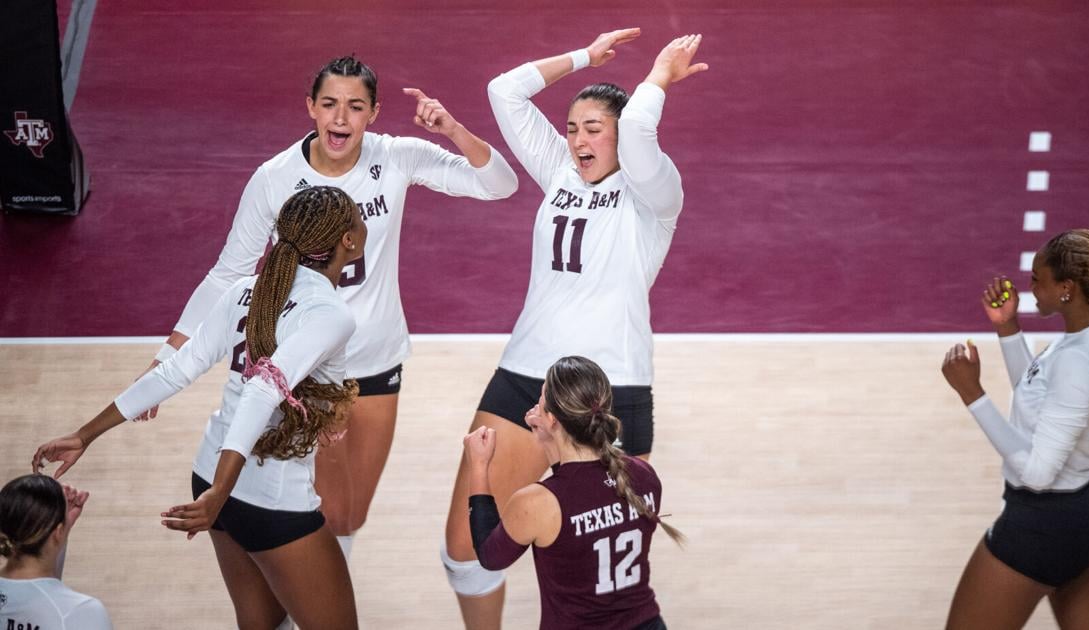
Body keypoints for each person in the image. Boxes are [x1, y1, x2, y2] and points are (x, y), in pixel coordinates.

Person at [140, 55, 520, 558]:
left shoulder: (396, 157)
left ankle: (316, 589)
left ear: (374, 113)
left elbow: (501, 184)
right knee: (318, 506)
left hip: (376, 360)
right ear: (310, 109)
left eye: (355, 106)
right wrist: (168, 358)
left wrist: (450, 128)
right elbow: (228, 273)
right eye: (329, 104)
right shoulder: (275, 177)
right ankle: (311, 596)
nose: (341, 118)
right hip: (307, 367)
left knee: (350, 513)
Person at [440, 29, 705, 626]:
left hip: (610, 389)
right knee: (466, 552)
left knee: (600, 583)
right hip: (526, 373)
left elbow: (639, 132)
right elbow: (504, 91)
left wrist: (659, 77)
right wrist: (585, 57)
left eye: (595, 128)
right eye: (573, 127)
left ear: (621, 132)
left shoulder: (654, 194)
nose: (579, 139)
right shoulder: (559, 170)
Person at [33, 186, 368, 629]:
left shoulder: (247, 290)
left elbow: (176, 370)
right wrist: (222, 492)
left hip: (210, 475)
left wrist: (85, 434)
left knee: (259, 624)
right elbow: (263, 390)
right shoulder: (329, 313)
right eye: (359, 218)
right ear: (348, 240)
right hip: (265, 494)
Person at [940, 228, 1089, 629]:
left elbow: (1037, 473)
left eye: (1039, 280)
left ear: (1066, 288)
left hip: (1046, 524)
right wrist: (1008, 327)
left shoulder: (1076, 362)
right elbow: (1038, 396)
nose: (1031, 287)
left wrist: (973, 394)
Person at [464, 356, 683, 630]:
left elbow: (490, 557)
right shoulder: (643, 475)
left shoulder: (538, 503)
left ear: (552, 419)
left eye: (541, 402)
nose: (534, 408)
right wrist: (550, 441)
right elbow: (586, 496)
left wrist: (479, 466)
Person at [0, 475, 112, 630]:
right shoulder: (82, 611)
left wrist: (61, 529)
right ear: (58, 532)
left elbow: (37, 592)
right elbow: (49, 601)